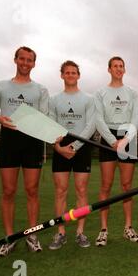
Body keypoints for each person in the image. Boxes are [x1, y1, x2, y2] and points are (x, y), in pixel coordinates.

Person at [0, 46, 49, 256]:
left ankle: (32, 235)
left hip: (32, 141)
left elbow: (45, 117)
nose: (25, 63)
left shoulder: (41, 90)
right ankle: (10, 238)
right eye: (22, 59)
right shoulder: (0, 87)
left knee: (31, 191)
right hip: (9, 140)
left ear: (34, 64)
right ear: (15, 60)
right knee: (9, 191)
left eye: (29, 60)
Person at [48, 60, 96, 250]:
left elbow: (90, 126)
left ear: (78, 75)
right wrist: (59, 147)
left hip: (81, 147)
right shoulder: (54, 100)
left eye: (73, 72)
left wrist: (75, 146)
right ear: (62, 75)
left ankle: (80, 232)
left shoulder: (88, 99)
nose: (70, 75)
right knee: (60, 191)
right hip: (60, 147)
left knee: (81, 190)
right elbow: (51, 124)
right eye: (67, 72)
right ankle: (60, 233)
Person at [94, 56, 138, 246]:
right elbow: (98, 119)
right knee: (106, 186)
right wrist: (113, 141)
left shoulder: (132, 93)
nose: (119, 69)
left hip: (127, 136)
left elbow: (136, 119)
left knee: (127, 186)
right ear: (109, 69)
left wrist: (126, 140)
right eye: (115, 66)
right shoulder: (100, 92)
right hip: (108, 139)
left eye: (121, 66)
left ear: (124, 69)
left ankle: (128, 228)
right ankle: (103, 230)